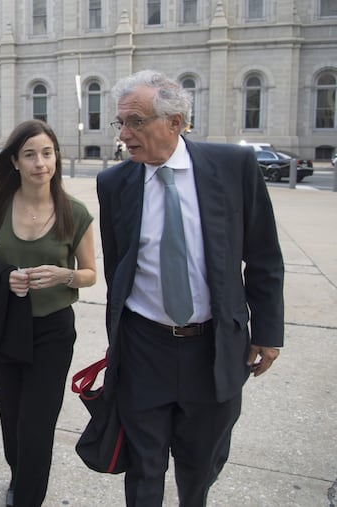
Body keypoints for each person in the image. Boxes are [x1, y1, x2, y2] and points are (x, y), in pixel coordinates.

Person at [97, 70, 284, 506]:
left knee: (201, 464)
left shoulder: (232, 168)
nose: (125, 135)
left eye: (136, 122)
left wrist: (268, 332)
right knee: (144, 467)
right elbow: (118, 269)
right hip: (144, 347)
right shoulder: (114, 184)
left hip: (213, 346)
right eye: (121, 123)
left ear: (176, 122)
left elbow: (263, 256)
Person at [0, 119, 97, 507]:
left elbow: (90, 274)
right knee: (12, 415)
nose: (41, 162)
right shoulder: (0, 204)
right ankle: (18, 476)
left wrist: (66, 274)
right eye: (30, 155)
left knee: (37, 424)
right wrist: (3, 276)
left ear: (56, 156)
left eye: (47, 152)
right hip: (5, 325)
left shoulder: (75, 211)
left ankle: (27, 497)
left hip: (53, 331)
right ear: (15, 163)